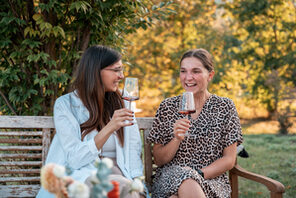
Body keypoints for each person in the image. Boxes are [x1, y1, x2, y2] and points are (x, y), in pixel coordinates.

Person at [37, 45, 146, 198]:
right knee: (119, 187)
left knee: (127, 189)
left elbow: (133, 149)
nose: (121, 76)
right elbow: (75, 160)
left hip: (120, 175)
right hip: (82, 176)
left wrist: (138, 183)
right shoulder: (66, 105)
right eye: (116, 70)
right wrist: (110, 127)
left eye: (121, 70)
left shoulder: (123, 99)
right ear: (96, 71)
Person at [147, 48, 243, 198]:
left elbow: (229, 159)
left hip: (211, 180)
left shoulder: (225, 107)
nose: (188, 77)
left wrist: (196, 174)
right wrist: (176, 139)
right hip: (170, 178)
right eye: (183, 71)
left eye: (196, 71)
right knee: (185, 180)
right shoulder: (167, 106)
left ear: (210, 75)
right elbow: (159, 160)